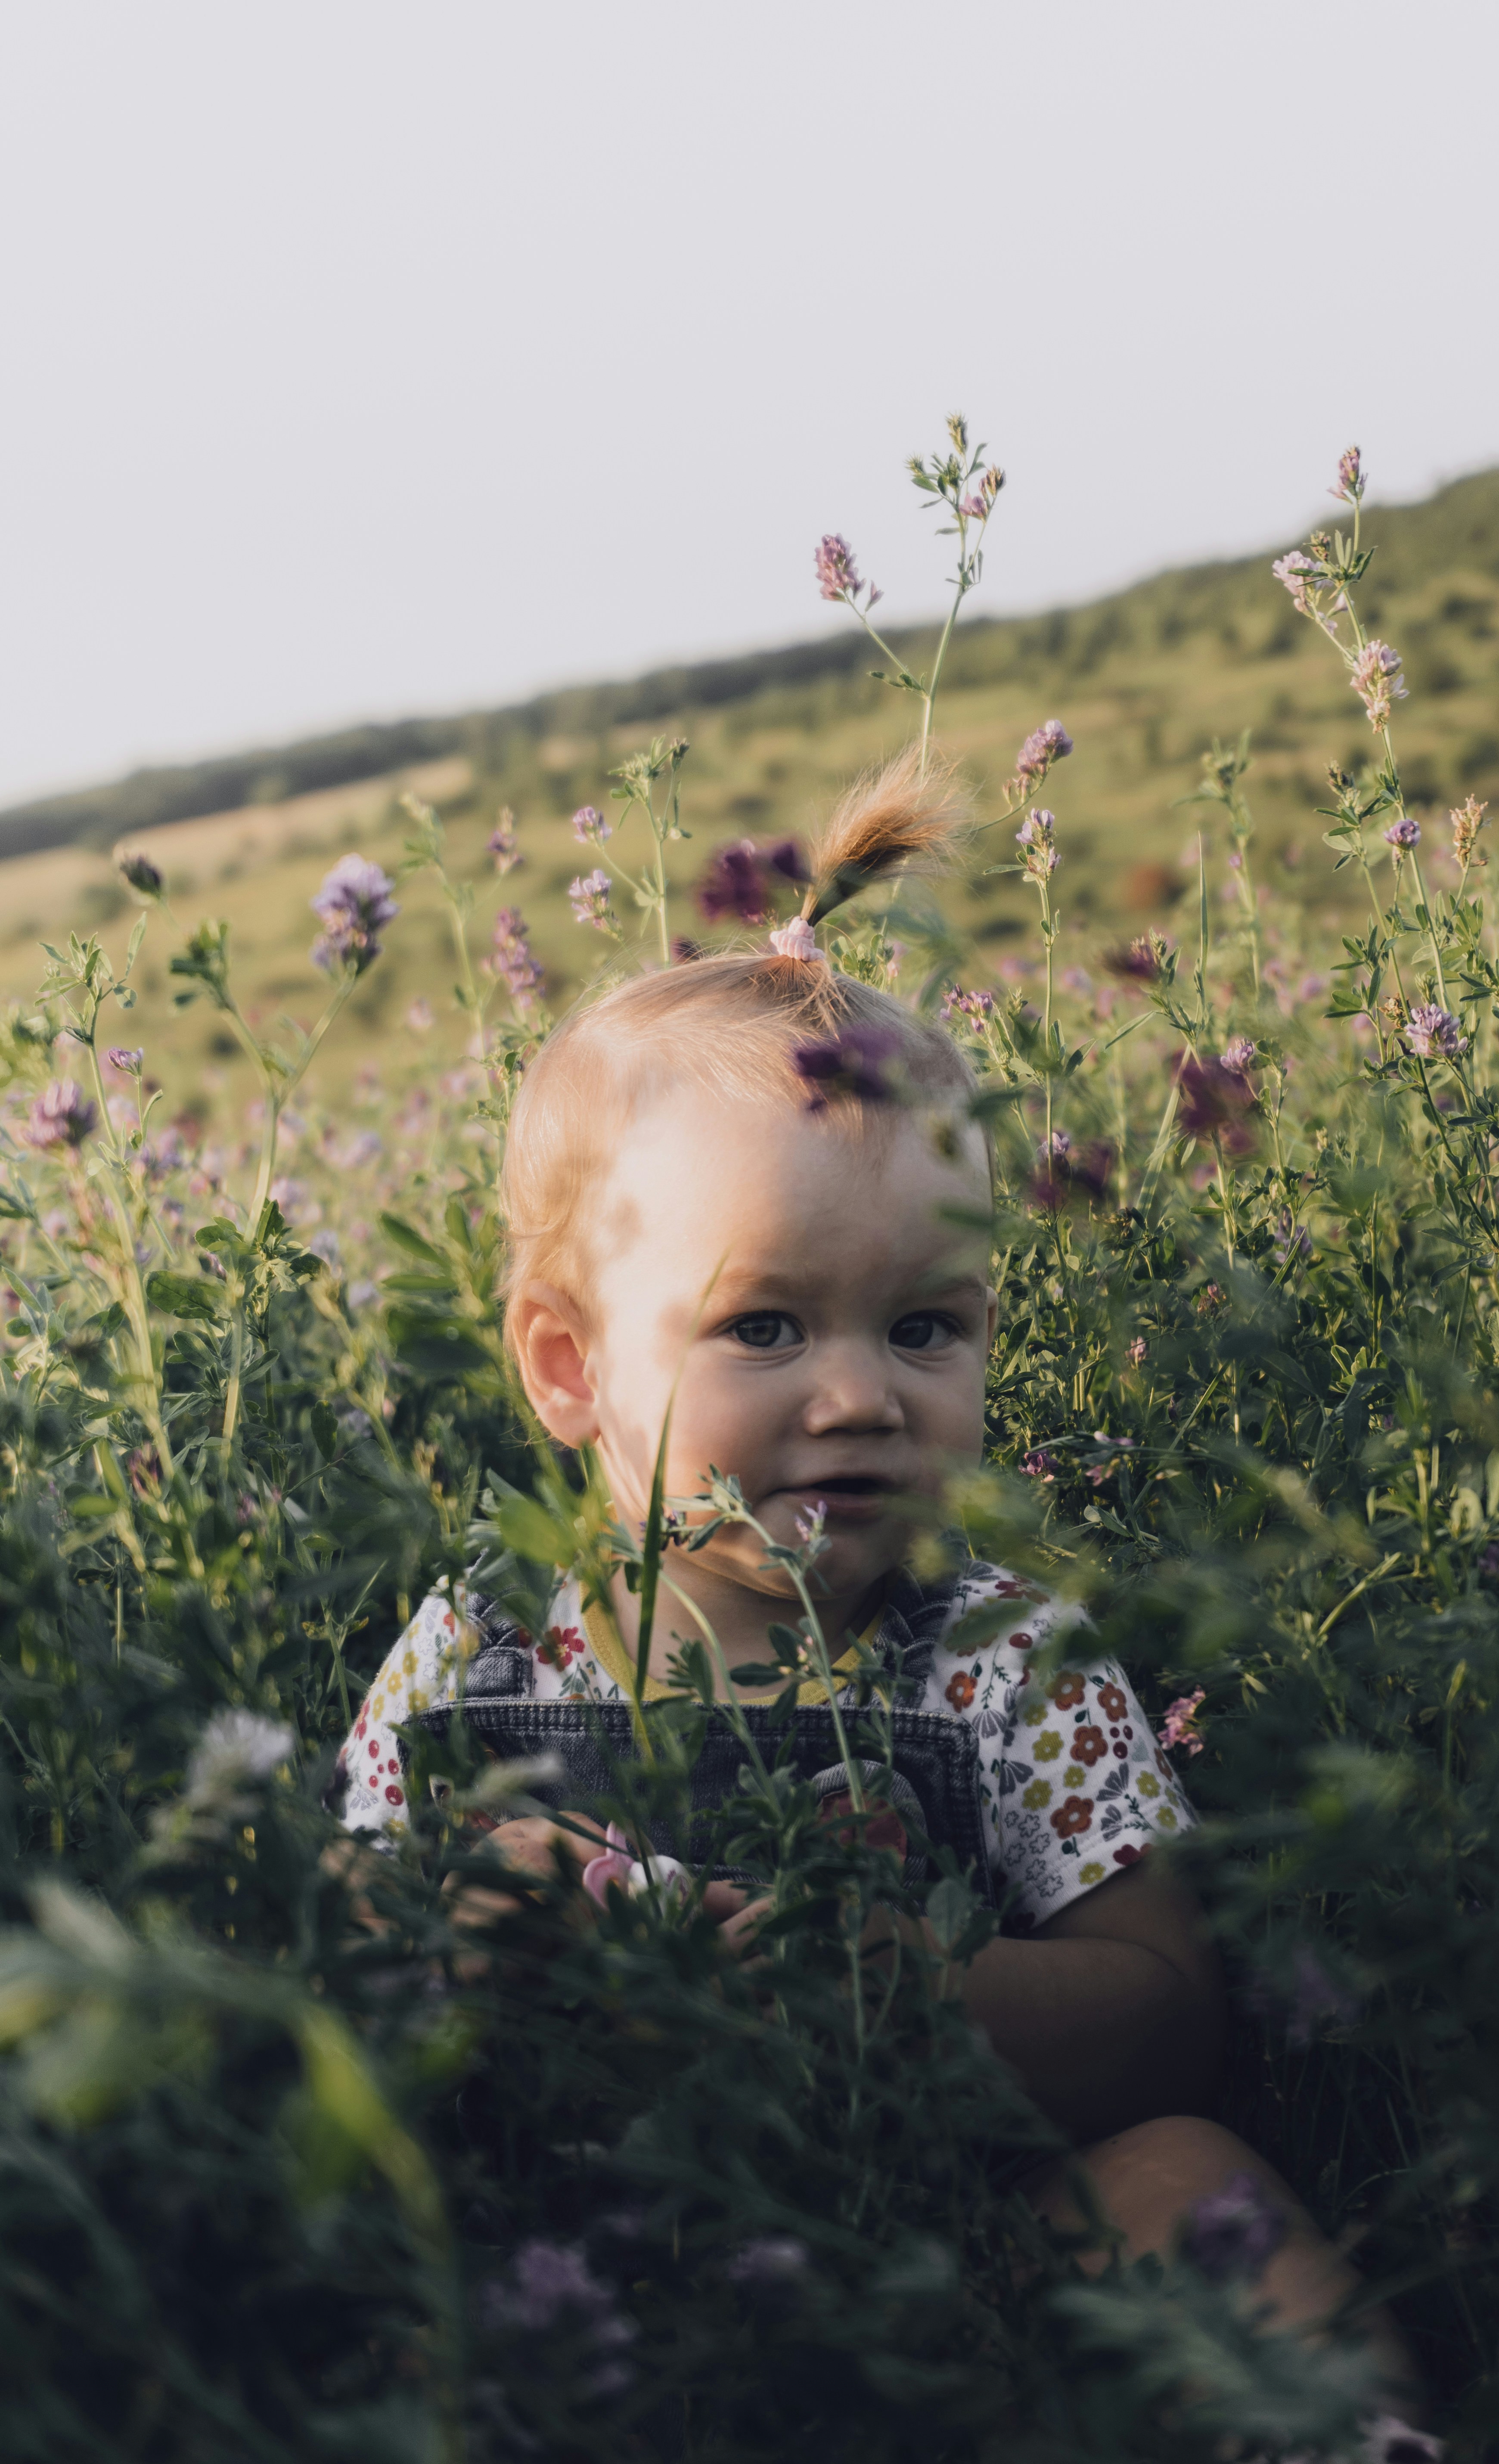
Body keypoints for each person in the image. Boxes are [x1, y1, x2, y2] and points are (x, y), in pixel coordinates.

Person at [332, 750, 1426, 2436]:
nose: (862, 1397)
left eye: (926, 1327)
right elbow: (332, 1951)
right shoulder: (476, 1652)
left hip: (966, 2257)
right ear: (568, 1365)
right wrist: (451, 1938)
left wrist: (881, 1998)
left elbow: (1166, 2022)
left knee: (1181, 2180)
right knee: (387, 2304)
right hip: (603, 2278)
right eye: (765, 1326)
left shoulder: (999, 1657)